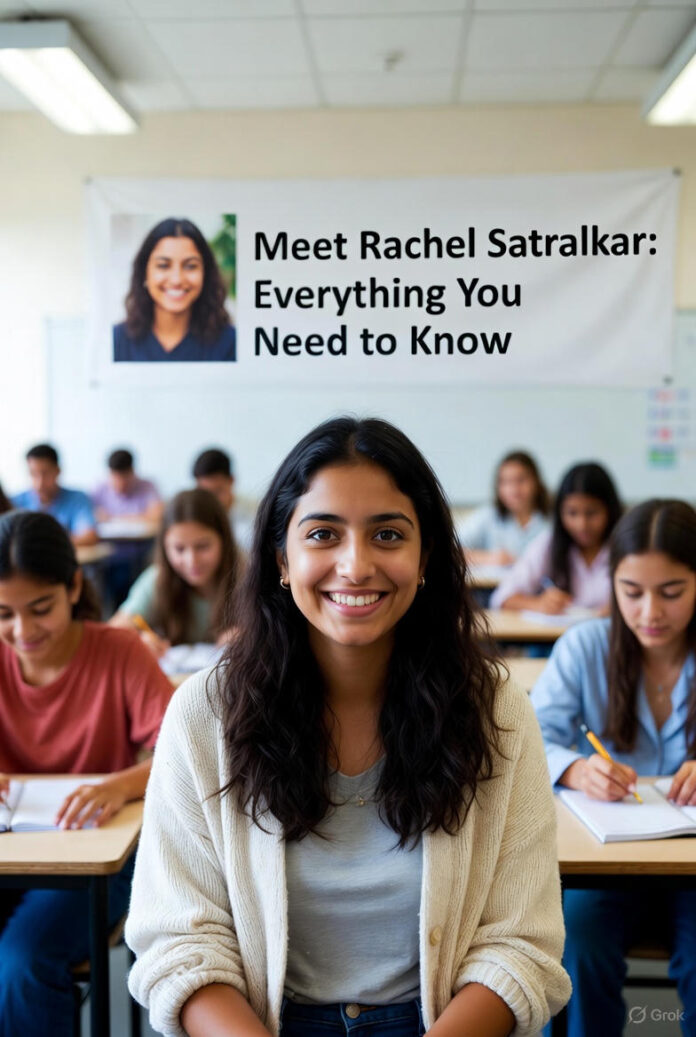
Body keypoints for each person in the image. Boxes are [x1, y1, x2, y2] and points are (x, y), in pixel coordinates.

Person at [126, 416, 570, 1037]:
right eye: (323, 534)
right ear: (282, 557)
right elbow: (178, 940)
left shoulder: (495, 708)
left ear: (425, 559)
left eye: (388, 534)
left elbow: (521, 943)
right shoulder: (205, 713)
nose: (355, 565)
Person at [0, 510, 173, 1037]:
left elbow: (183, 752)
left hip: (94, 864)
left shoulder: (119, 652)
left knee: (22, 964)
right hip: (12, 851)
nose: (23, 631)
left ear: (75, 586)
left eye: (40, 608)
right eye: (3, 613)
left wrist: (118, 785)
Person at [531, 498, 696, 1037]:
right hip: (606, 861)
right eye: (632, 592)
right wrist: (575, 769)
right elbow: (529, 738)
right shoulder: (584, 648)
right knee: (578, 945)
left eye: (671, 592)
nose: (650, 612)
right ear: (612, 584)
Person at [111, 488, 240, 658]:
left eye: (202, 546)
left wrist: (253, 634)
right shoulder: (156, 579)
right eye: (179, 549)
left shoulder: (248, 575)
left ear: (224, 541)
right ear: (165, 548)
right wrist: (137, 641)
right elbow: (114, 631)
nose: (191, 561)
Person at [491, 461, 622, 614]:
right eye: (572, 513)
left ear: (610, 510)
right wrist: (538, 603)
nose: (582, 525)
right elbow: (501, 598)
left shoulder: (626, 546)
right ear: (560, 512)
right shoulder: (549, 543)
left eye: (591, 513)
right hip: (558, 636)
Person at [113, 217, 236, 363]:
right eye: (163, 265)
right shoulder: (115, 341)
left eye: (190, 266)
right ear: (144, 272)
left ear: (205, 273)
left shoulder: (230, 344)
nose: (177, 280)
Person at [457, 450, 550, 567]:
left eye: (521, 480)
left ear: (536, 482)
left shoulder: (551, 519)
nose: (514, 489)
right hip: (493, 584)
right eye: (506, 482)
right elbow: (452, 549)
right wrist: (488, 558)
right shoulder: (488, 516)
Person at [12, 443, 97, 547]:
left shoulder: (77, 499)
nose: (40, 483)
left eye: (45, 473)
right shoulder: (15, 501)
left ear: (57, 471)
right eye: (33, 474)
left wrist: (42, 546)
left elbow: (89, 536)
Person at [193, 446, 253, 551]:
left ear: (231, 481)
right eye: (205, 493)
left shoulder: (256, 514)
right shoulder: (191, 516)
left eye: (218, 491)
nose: (211, 499)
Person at [92, 447, 163, 523]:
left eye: (124, 478)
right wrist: (142, 516)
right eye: (116, 478)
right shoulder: (99, 489)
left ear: (132, 471)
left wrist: (112, 517)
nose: (120, 484)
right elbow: (91, 517)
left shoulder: (148, 487)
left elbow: (156, 516)